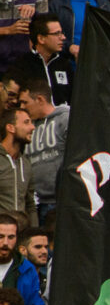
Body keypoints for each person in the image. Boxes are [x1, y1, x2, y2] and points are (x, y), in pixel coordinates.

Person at [19, 78, 67, 223]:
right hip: (37, 203)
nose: (22, 107)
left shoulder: (65, 118)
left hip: (62, 200)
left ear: (39, 99)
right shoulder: (28, 127)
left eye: (25, 102)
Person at [9, 14, 74, 107]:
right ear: (41, 39)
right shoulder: (22, 65)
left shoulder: (64, 64)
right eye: (57, 33)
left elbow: (73, 98)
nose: (63, 37)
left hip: (64, 118)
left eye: (62, 33)